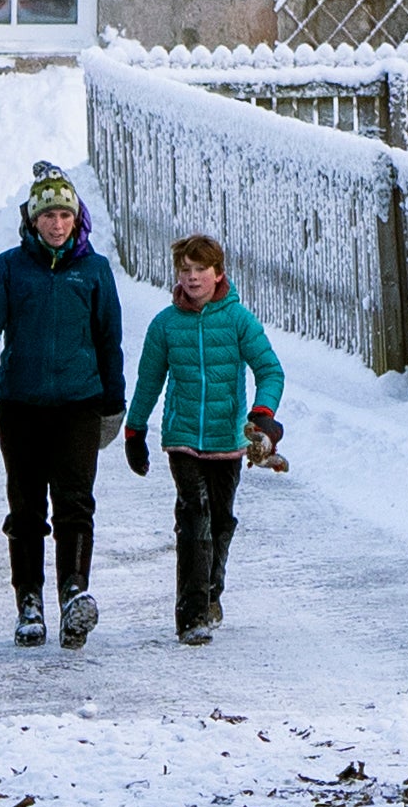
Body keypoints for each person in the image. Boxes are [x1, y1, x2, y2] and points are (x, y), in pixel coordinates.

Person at [0, 163, 124, 649]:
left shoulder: (94, 271)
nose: (56, 224)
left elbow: (109, 339)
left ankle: (74, 593)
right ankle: (28, 601)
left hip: (79, 405)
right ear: (32, 221)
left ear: (77, 220)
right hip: (23, 407)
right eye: (47, 215)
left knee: (75, 504)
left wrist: (114, 405)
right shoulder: (9, 268)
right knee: (26, 507)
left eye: (64, 215)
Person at [122, 233, 289, 648]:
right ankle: (192, 614)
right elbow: (149, 381)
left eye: (200, 270)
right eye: (185, 270)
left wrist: (262, 417)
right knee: (193, 518)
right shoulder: (165, 325)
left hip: (228, 437)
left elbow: (271, 370)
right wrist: (135, 428)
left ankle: (212, 593)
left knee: (220, 520)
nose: (192, 277)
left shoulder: (238, 320)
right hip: (182, 437)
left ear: (218, 274)